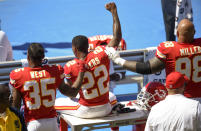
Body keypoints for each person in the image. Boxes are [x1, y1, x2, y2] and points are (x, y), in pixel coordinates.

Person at [54, 2, 122, 119]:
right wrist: (114, 13)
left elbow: (72, 93)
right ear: (88, 46)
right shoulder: (102, 52)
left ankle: (59, 123)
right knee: (112, 95)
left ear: (74, 49)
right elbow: (116, 38)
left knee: (57, 102)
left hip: (86, 110)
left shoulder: (71, 66)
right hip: (105, 107)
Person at [106, 19, 201, 101]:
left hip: (180, 99)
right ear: (194, 32)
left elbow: (146, 68)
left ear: (177, 33)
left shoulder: (169, 49)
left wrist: (118, 60)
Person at [10, 43, 86, 131]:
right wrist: (81, 73)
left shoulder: (18, 75)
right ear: (43, 57)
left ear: (28, 56)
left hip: (32, 124)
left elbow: (16, 106)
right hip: (52, 123)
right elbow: (72, 92)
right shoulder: (54, 70)